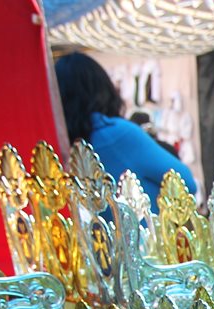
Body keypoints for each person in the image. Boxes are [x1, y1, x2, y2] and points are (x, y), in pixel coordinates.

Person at [55, 52, 196, 212]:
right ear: (103, 88)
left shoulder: (55, 143)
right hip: (137, 234)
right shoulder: (117, 134)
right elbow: (185, 183)